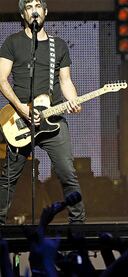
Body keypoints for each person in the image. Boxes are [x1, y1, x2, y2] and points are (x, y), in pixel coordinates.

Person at [0, 0, 86, 224]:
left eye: (38, 6)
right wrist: (21, 109)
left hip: (53, 119)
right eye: (29, 7)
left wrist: (73, 99)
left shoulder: (58, 45)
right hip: (21, 119)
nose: (34, 10)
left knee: (67, 173)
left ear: (45, 12)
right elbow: (1, 80)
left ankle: (78, 224)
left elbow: (65, 81)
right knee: (9, 177)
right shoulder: (12, 43)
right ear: (23, 14)